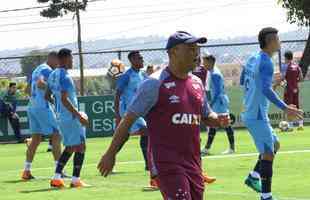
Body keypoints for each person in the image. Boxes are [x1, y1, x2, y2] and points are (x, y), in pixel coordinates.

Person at [98, 31, 229, 199]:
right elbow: (128, 120)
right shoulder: (155, 83)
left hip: (193, 163)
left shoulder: (197, 83)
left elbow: (206, 115)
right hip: (166, 163)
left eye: (197, 48)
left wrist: (218, 119)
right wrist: (110, 154)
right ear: (173, 52)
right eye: (190, 48)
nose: (196, 53)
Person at [240, 27, 303, 200]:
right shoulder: (266, 61)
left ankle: (253, 177)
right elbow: (265, 90)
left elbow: (244, 81)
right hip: (257, 115)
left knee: (274, 146)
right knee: (268, 153)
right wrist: (285, 108)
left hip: (253, 111)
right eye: (278, 38)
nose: (280, 41)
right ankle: (266, 196)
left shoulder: (254, 57)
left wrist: (264, 87)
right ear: (270, 42)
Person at [48, 48, 89, 188]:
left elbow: (47, 95)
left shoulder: (53, 74)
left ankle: (56, 178)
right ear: (64, 59)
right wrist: (78, 116)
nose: (72, 61)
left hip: (61, 117)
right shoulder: (65, 76)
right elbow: (65, 99)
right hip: (71, 117)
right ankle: (75, 180)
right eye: (71, 58)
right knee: (81, 146)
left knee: (71, 147)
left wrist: (58, 108)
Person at [22, 52, 62, 180]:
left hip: (32, 106)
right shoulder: (47, 69)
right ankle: (59, 170)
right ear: (53, 58)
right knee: (57, 134)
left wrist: (44, 97)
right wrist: (55, 91)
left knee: (36, 139)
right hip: (41, 107)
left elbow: (27, 90)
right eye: (58, 61)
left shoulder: (37, 69)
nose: (58, 64)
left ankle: (26, 170)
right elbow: (40, 84)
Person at [114, 51, 149, 171]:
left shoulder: (142, 75)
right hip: (128, 112)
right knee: (146, 132)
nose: (142, 60)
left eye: (142, 58)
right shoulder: (126, 75)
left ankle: (109, 157)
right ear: (132, 60)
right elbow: (117, 95)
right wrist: (117, 115)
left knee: (123, 137)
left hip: (138, 112)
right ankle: (148, 164)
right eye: (139, 58)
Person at [200, 54, 236, 155]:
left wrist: (210, 104)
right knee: (214, 125)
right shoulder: (212, 72)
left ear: (210, 62)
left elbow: (218, 91)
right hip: (218, 102)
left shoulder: (215, 74)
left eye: (205, 62)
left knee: (226, 124)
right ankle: (207, 148)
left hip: (219, 102)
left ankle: (232, 148)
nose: (203, 64)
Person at [283, 50, 304, 130]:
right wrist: (295, 81)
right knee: (297, 107)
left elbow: (282, 78)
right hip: (296, 89)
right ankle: (301, 124)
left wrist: (282, 83)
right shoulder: (297, 66)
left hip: (289, 90)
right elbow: (301, 78)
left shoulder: (286, 67)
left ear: (286, 58)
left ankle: (290, 126)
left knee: (289, 107)